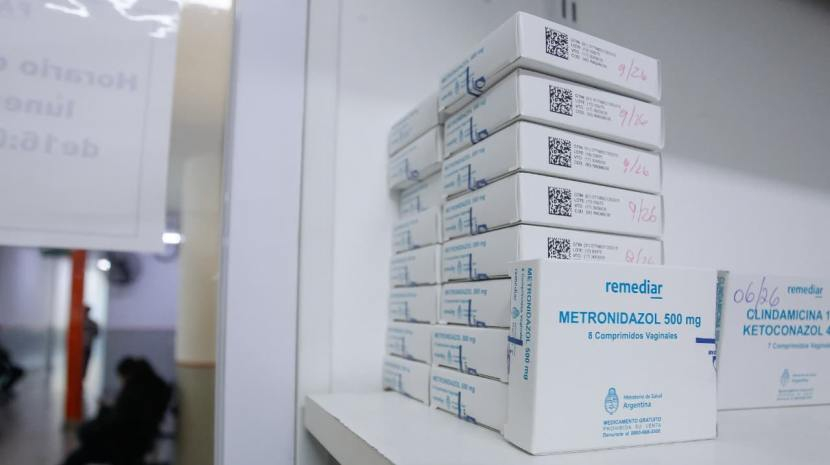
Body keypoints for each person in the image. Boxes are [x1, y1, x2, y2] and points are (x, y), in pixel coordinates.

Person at [61, 357, 172, 465]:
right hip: (134, 440)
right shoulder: (150, 387)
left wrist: (100, 417)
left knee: (81, 453)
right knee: (82, 450)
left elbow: (119, 420)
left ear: (126, 374)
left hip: (124, 443)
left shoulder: (134, 391)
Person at [82, 305, 99, 380]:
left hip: (87, 347)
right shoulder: (79, 322)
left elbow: (96, 333)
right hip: (80, 348)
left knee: (85, 365)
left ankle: (82, 379)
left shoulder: (92, 323)